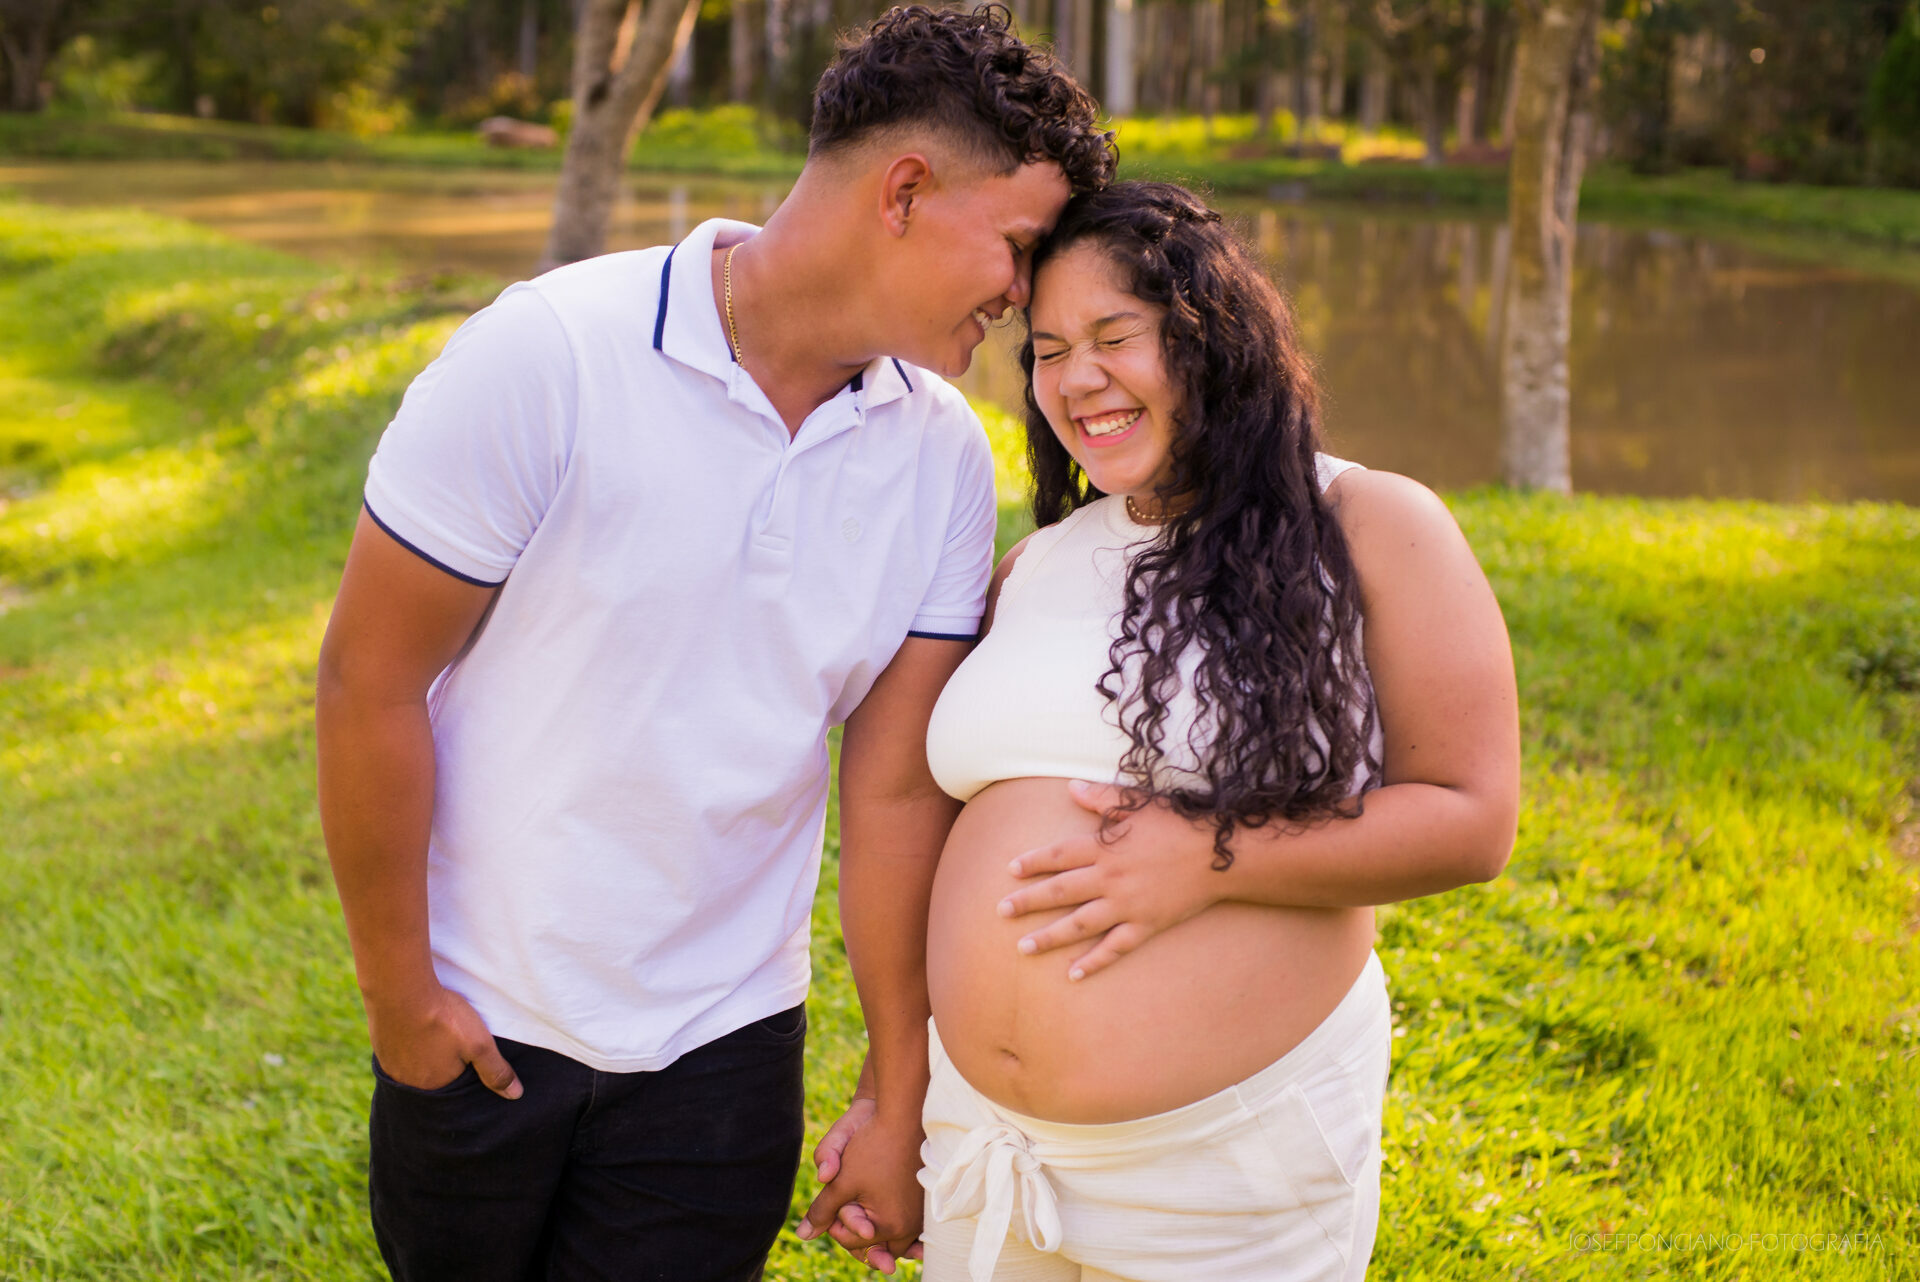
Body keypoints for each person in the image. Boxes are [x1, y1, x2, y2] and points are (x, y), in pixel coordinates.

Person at [312, 8, 1114, 1279]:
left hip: (725, 1056)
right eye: (1018, 248)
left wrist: (896, 1088)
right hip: (480, 1021)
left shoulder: (945, 458)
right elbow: (371, 681)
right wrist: (400, 1002)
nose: (1023, 297)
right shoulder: (550, 353)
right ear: (905, 191)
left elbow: (894, 792)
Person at [908, 182, 1521, 1281]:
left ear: (1209, 338)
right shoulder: (1035, 563)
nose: (1077, 378)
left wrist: (1208, 856)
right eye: (1048, 351)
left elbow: (1472, 820)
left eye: (1114, 338)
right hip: (988, 1150)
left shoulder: (1370, 523)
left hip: (1226, 1178)